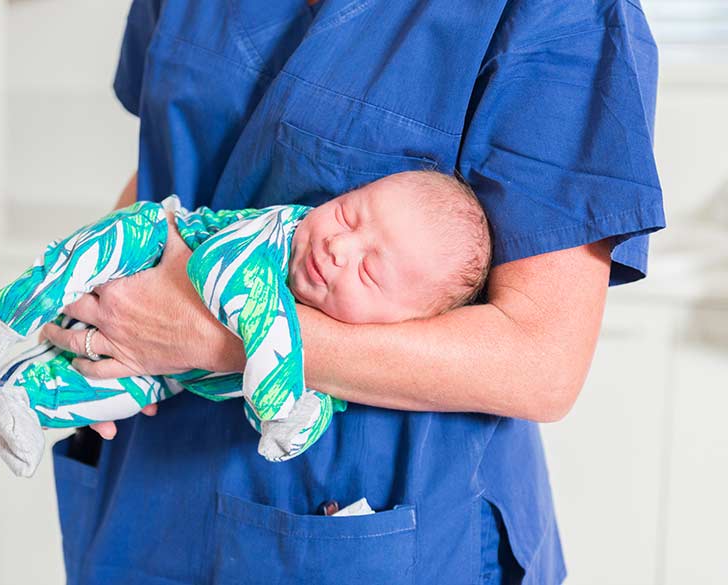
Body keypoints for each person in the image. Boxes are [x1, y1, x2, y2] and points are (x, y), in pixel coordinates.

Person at [41, 1, 666, 583]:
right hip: (146, 481)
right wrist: (101, 310)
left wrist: (219, 335)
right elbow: (168, 159)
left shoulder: (555, 12)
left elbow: (541, 362)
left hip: (364, 512)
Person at [0, 171, 491, 475]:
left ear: (395, 323)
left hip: (170, 375)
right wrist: (278, 399)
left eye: (369, 271)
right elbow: (227, 280)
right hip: (152, 246)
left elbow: (292, 398)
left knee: (114, 388)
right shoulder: (276, 237)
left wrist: (295, 413)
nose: (338, 246)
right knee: (82, 262)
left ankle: (7, 400)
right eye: (348, 213)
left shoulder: (343, 350)